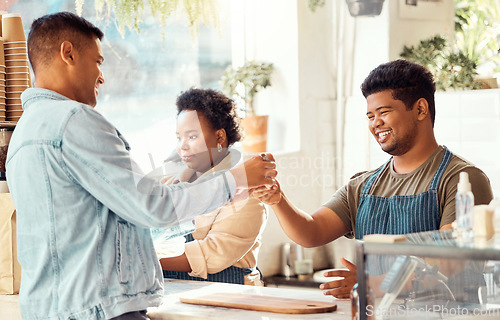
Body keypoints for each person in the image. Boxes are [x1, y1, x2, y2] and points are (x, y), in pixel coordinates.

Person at [6, 12, 277, 320]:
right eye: (98, 61)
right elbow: (152, 207)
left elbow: (109, 218)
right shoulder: (75, 121)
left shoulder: (23, 135)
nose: (102, 76)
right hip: (99, 312)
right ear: (68, 53)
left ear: (220, 137)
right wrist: (235, 180)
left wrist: (230, 190)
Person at [253, 59, 493, 299]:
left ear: (420, 109)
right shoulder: (363, 186)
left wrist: (374, 284)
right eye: (370, 115)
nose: (375, 123)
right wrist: (278, 199)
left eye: (384, 112)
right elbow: (311, 232)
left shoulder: (462, 179)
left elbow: (452, 260)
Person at [150, 88, 267, 286]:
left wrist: (139, 261)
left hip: (232, 298)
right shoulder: (171, 183)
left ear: (220, 138)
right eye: (179, 138)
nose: (182, 146)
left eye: (192, 137)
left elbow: (211, 255)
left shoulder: (248, 192)